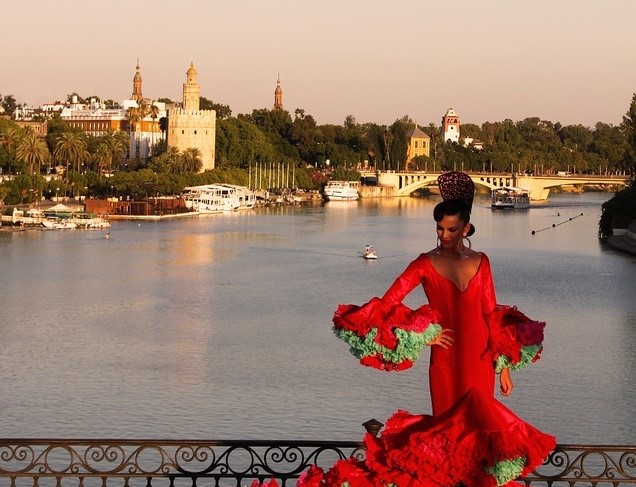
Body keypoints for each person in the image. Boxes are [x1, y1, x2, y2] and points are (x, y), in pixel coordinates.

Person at [299, 172, 556, 487]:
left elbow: (491, 314)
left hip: (480, 359)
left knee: (480, 439)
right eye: (439, 229)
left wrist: (504, 368)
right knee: (445, 438)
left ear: (466, 228)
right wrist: (422, 334)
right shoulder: (423, 263)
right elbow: (390, 302)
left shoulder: (482, 261)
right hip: (445, 360)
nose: (444, 235)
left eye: (451, 229)